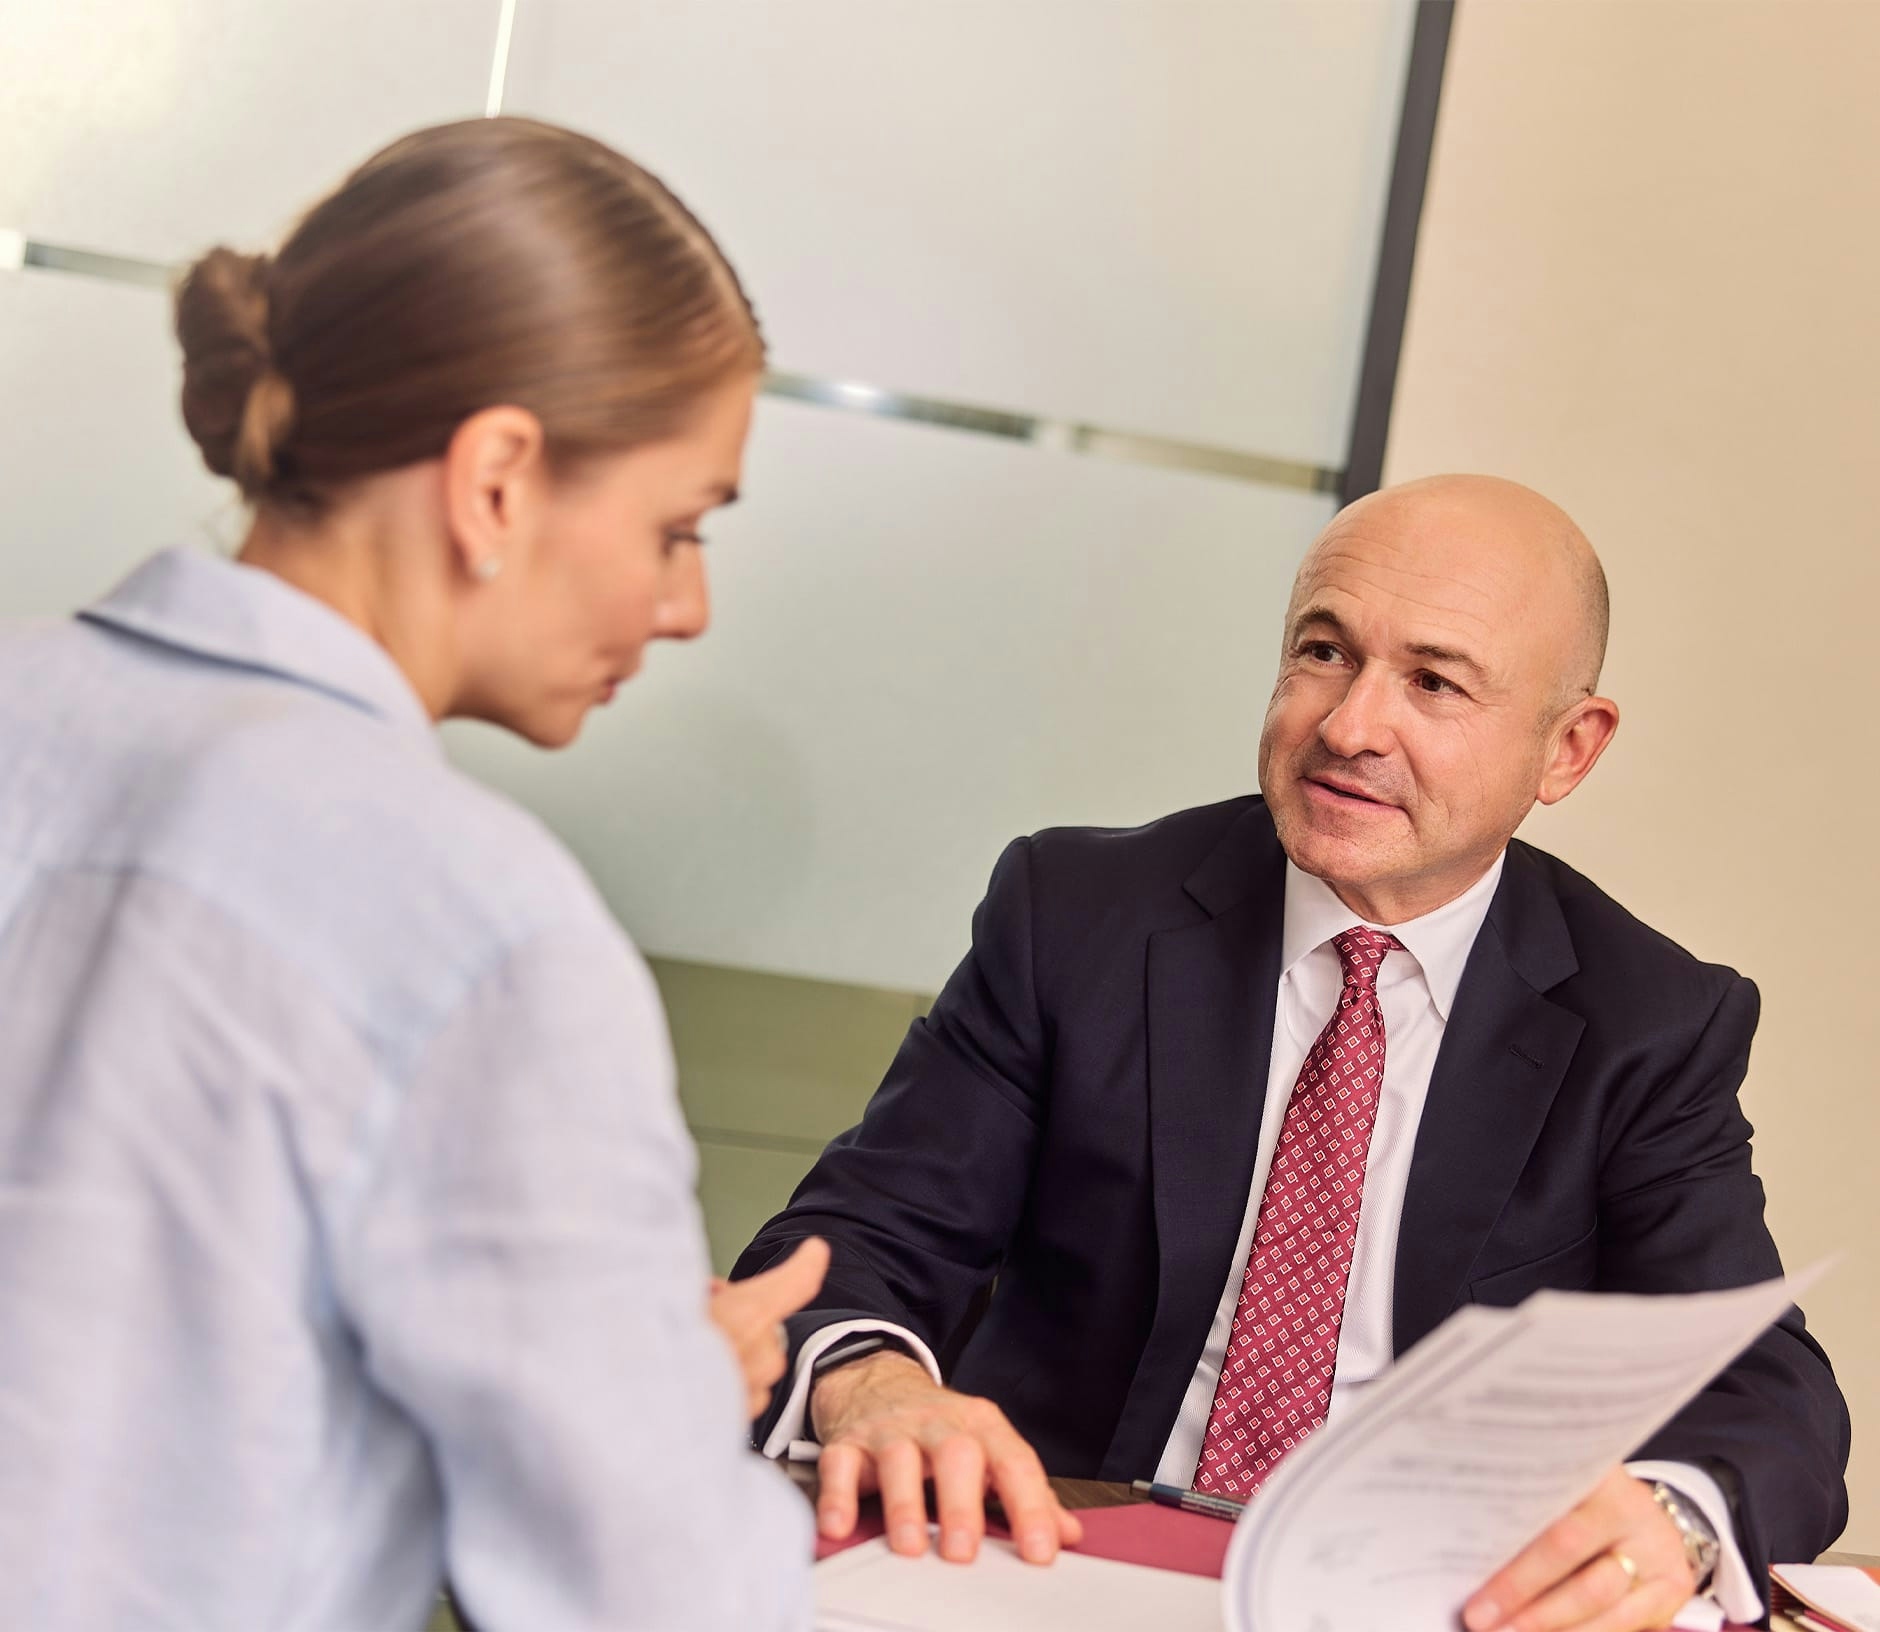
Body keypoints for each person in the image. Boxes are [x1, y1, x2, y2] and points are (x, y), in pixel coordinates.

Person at [737, 475, 1851, 1632]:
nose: (1347, 726)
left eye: (1431, 681)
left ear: (1565, 750)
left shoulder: (1649, 1020)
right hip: (1053, 1560)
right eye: (1322, 652)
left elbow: (1770, 1394)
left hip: (1419, 1601)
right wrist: (867, 1383)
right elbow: (855, 1242)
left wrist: (1666, 1520)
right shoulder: (1075, 916)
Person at [0, 117, 827, 1631]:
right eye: (676, 527)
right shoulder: (477, 922)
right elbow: (647, 1595)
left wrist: (611, 1368)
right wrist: (654, 1407)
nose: (686, 605)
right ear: (498, 479)